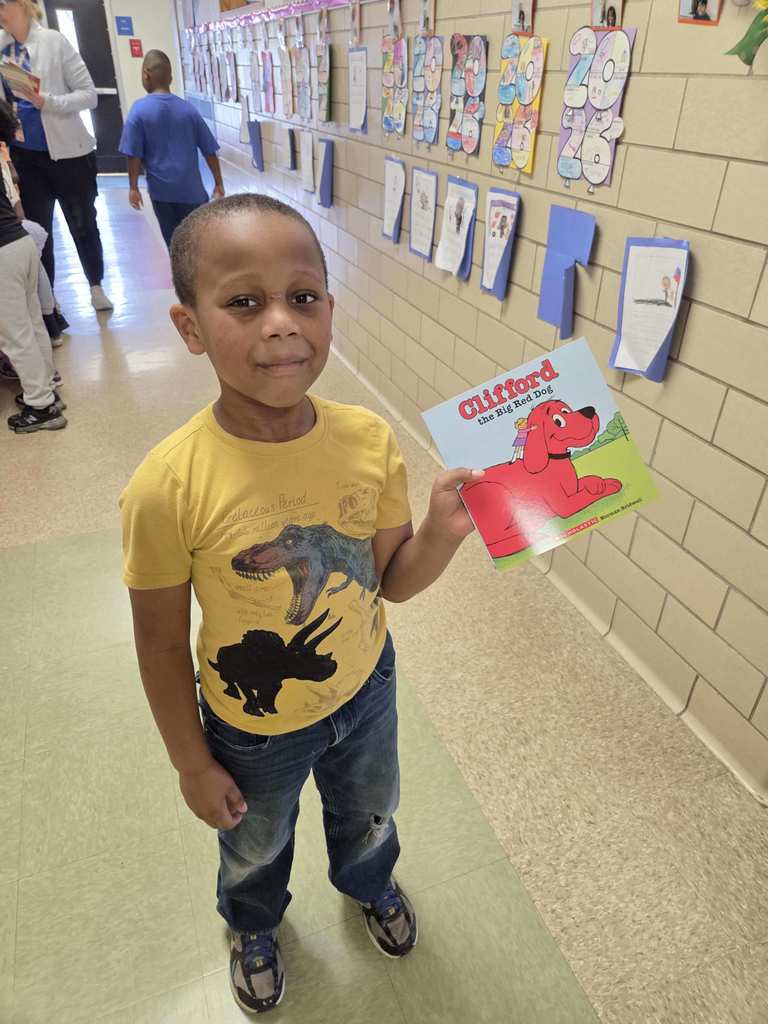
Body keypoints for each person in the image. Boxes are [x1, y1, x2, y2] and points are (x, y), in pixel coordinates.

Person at [120, 193, 483, 1015]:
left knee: (369, 814)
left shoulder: (367, 441)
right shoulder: (166, 486)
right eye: (244, 302)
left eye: (304, 296)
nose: (282, 323)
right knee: (253, 841)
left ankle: (369, 883)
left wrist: (444, 533)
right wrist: (191, 761)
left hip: (366, 687)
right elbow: (157, 646)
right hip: (253, 723)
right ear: (190, 327)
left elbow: (388, 581)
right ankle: (253, 923)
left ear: (329, 308)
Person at [0, 0, 112, 313]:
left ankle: (96, 285)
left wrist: (45, 101)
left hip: (69, 157)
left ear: (23, 5)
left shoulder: (53, 42)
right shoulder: (2, 47)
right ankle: (50, 306)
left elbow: (88, 95)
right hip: (25, 156)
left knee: (83, 223)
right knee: (38, 231)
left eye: (2, 4)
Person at [0, 98, 65, 433]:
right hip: (20, 245)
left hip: (2, 255)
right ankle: (46, 390)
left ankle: (40, 407)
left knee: (15, 335)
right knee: (32, 324)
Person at [119, 49, 224, 250]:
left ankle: (182, 280)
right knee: (199, 246)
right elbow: (209, 150)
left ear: (146, 75)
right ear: (171, 77)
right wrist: (218, 183)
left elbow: (133, 154)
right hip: (193, 193)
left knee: (175, 246)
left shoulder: (138, 111)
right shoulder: (188, 109)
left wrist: (133, 187)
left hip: (162, 194)